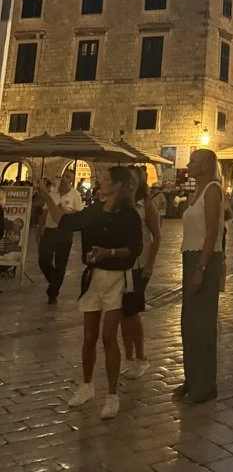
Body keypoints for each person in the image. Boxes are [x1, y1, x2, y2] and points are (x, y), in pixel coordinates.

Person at [38, 166, 142, 419]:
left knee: (108, 337)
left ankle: (112, 394)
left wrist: (111, 253)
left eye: (105, 179)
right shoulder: (95, 210)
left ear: (117, 185)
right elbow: (64, 220)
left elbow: (135, 247)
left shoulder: (129, 214)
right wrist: (45, 195)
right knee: (88, 336)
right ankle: (86, 386)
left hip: (117, 277)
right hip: (93, 277)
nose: (100, 182)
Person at [178, 149, 224, 404]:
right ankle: (192, 378)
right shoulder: (197, 191)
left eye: (193, 161)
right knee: (189, 322)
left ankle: (206, 385)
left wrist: (201, 268)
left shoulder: (213, 191)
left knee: (203, 324)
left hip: (204, 259)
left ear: (205, 166)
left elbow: (212, 233)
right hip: (190, 256)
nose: (188, 164)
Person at [121, 167, 162, 379]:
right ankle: (128, 356)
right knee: (121, 312)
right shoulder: (122, 205)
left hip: (139, 265)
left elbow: (157, 236)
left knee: (132, 312)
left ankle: (141, 356)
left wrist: (150, 265)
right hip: (121, 265)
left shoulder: (146, 205)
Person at [38, 168, 84, 304]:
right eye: (64, 175)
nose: (64, 179)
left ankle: (53, 292)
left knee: (60, 263)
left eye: (68, 177)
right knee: (43, 259)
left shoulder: (75, 195)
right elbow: (45, 211)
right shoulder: (53, 192)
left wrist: (67, 213)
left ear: (71, 180)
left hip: (64, 233)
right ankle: (54, 281)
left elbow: (79, 215)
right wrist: (40, 229)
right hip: (50, 230)